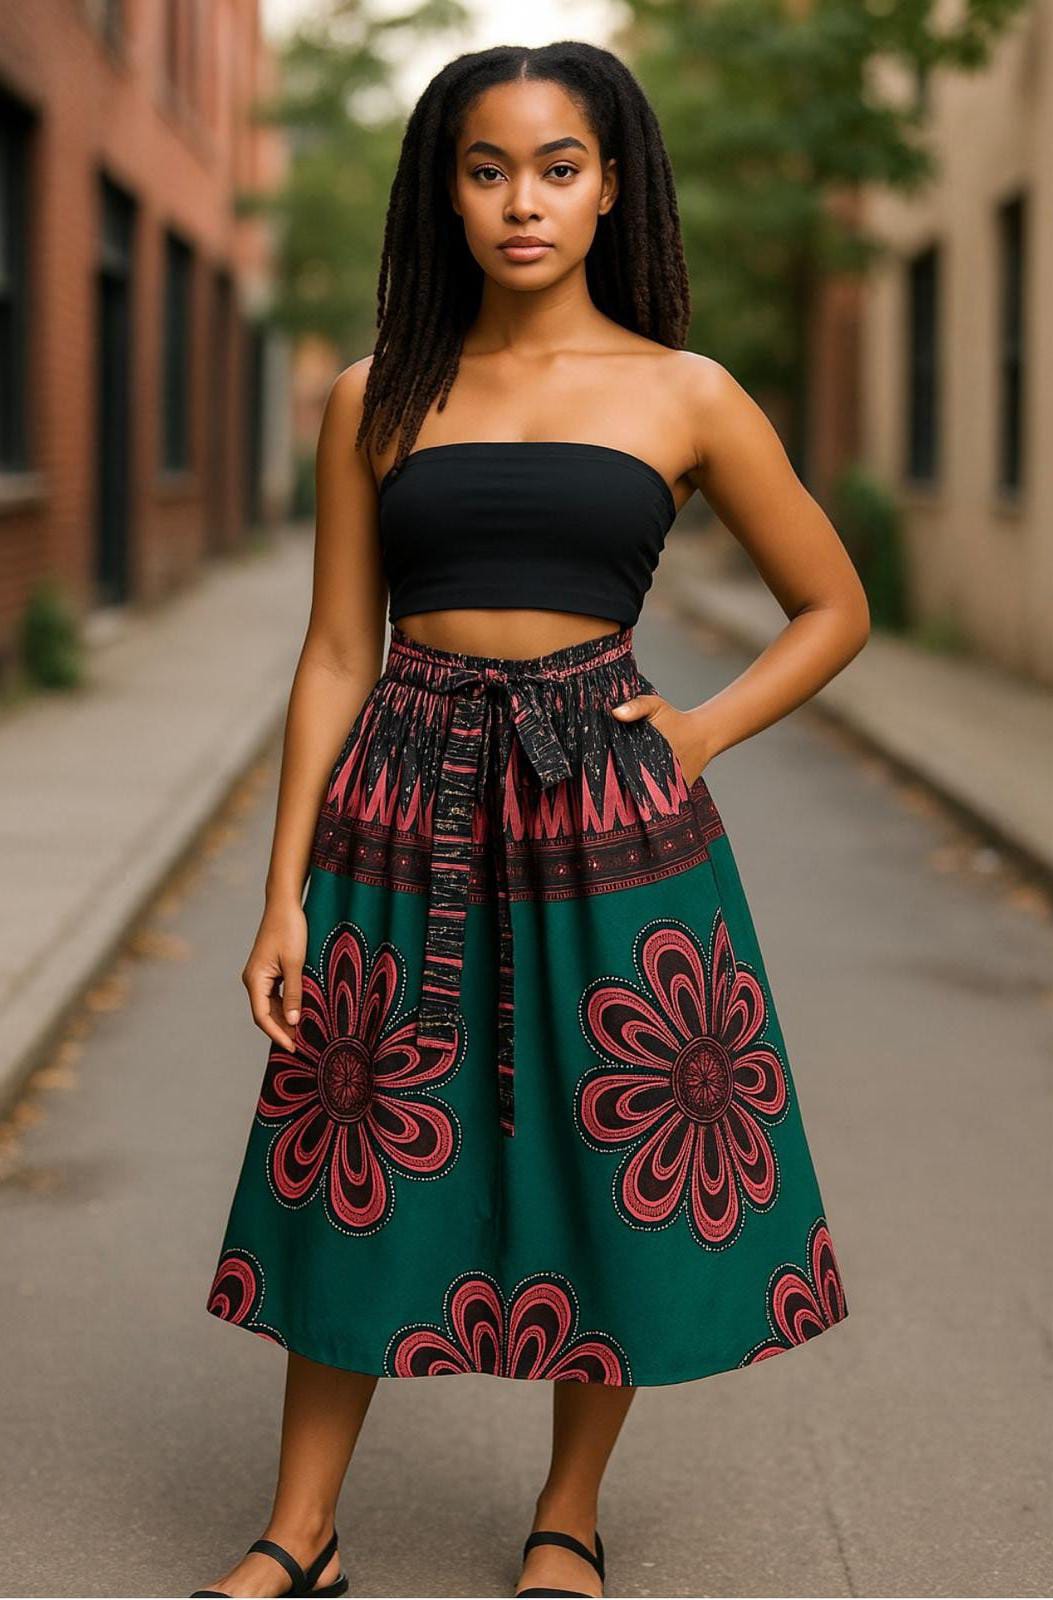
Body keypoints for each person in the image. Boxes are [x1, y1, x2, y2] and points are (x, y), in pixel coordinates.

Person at [194, 39, 866, 1600]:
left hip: (611, 822)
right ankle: (303, 1530)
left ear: (611, 183)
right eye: (485, 169)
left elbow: (829, 607)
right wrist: (281, 890)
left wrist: (698, 727)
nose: (521, 202)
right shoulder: (378, 395)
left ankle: (566, 1515)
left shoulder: (683, 391)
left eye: (557, 167)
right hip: (397, 799)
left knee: (611, 1151)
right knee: (350, 1146)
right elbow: (329, 653)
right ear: (444, 191)